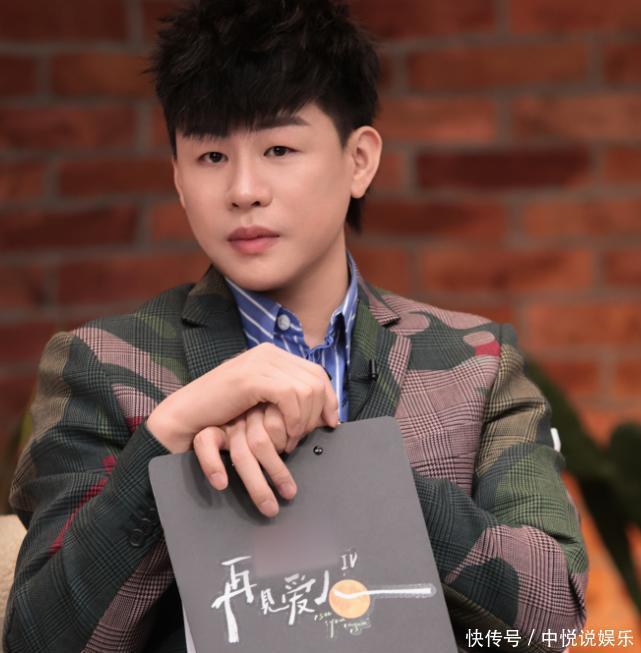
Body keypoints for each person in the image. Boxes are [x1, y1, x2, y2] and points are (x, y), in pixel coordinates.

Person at [3, 1, 587, 651]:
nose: (243, 189)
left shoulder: (474, 363)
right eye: (211, 156)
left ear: (358, 159)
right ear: (178, 179)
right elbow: (38, 640)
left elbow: (555, 617)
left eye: (278, 148)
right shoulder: (105, 364)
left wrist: (357, 467)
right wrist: (168, 440)